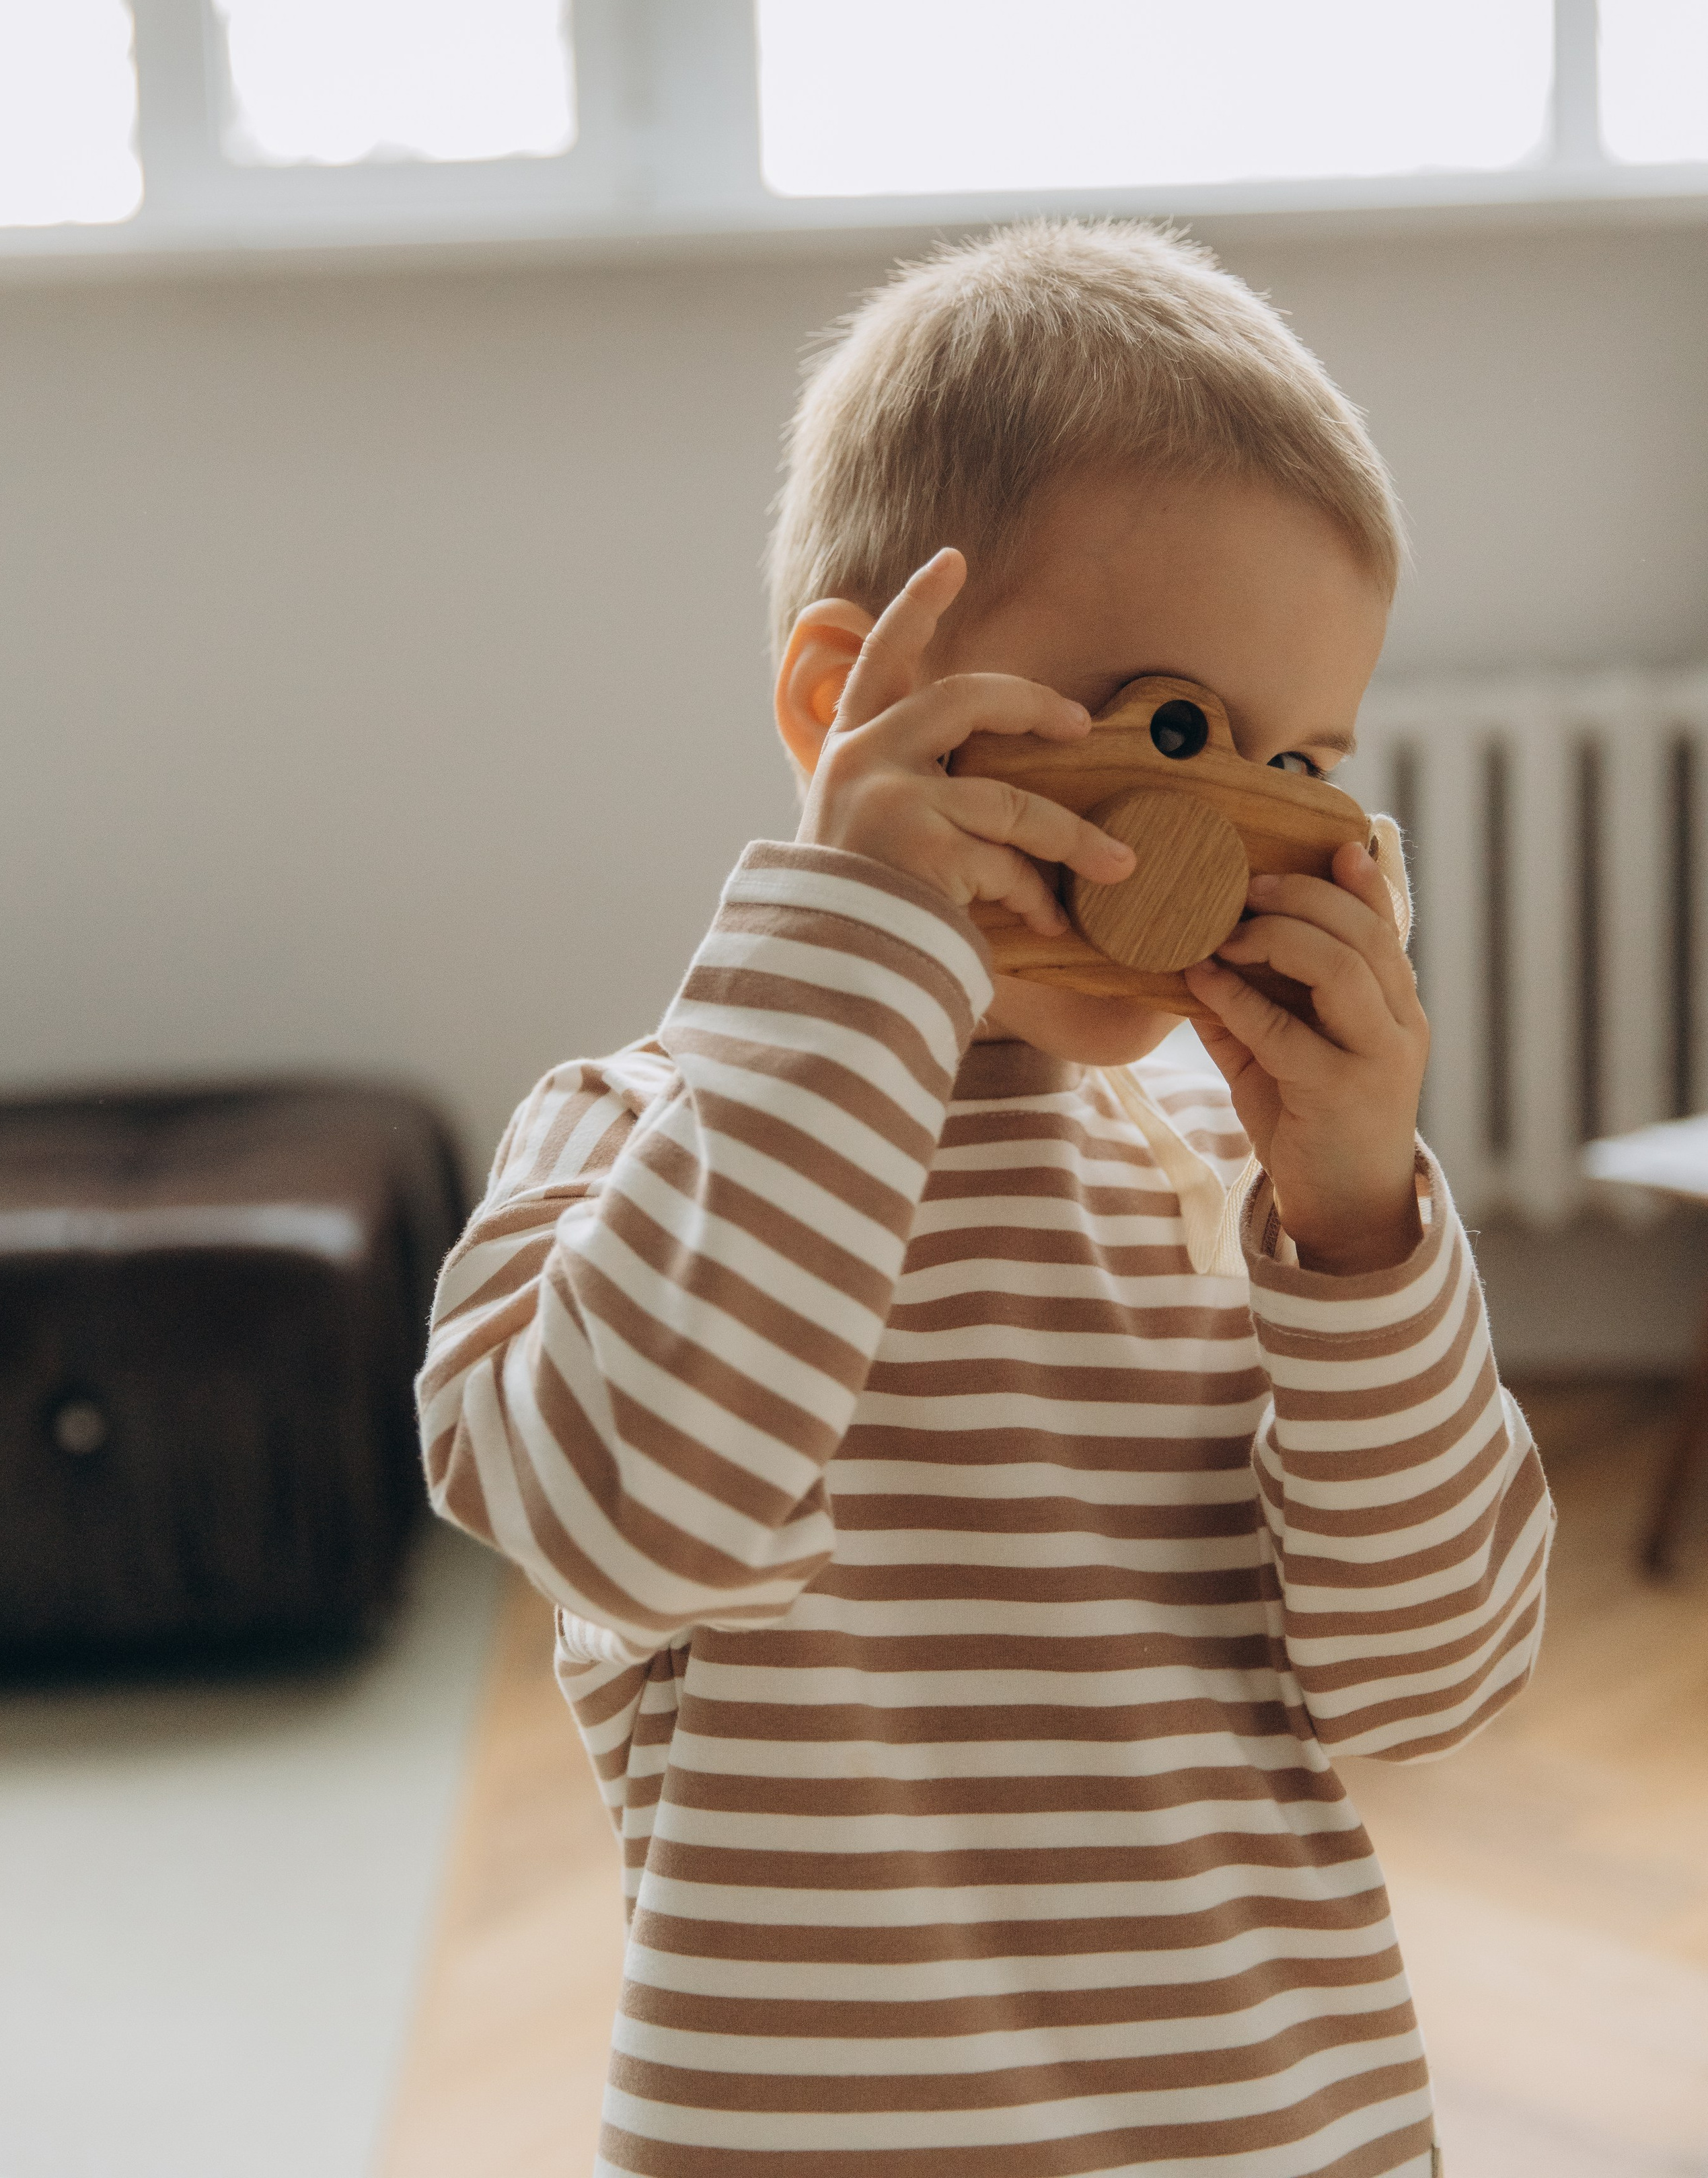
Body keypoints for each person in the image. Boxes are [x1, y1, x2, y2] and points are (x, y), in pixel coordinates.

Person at [417, 220, 1553, 2177]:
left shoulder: (1247, 1192)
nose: (1233, 827)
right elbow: (634, 1523)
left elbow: (1435, 1669)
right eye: (1175, 729)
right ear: (851, 695)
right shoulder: (634, 1138)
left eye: (1300, 762)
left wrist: (1364, 1228)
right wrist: (859, 951)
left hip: (1285, 2134)